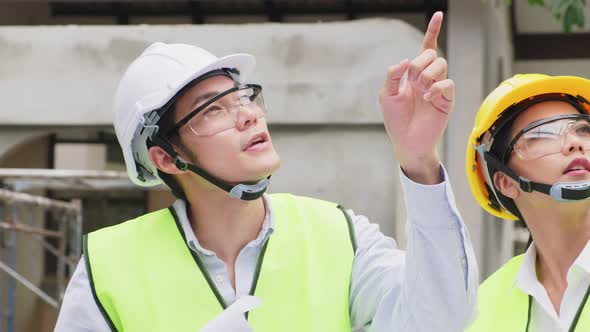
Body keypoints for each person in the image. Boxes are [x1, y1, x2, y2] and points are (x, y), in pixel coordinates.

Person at [55, 12, 476, 331]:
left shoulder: (340, 235)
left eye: (243, 98)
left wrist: (419, 161)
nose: (248, 116)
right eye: (213, 109)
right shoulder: (107, 264)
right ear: (166, 157)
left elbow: (439, 321)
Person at [466, 74, 590, 331]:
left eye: (583, 129)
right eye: (543, 134)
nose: (574, 143)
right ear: (507, 182)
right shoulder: (484, 306)